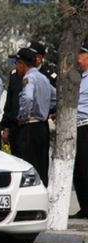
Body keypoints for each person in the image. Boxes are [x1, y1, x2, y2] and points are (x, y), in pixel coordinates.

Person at [13, 48, 56, 187]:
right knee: (42, 165)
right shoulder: (43, 78)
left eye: (16, 64)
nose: (16, 68)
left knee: (30, 165)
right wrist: (47, 109)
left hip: (30, 127)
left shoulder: (29, 78)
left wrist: (23, 115)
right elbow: (55, 96)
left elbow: (27, 97)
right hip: (42, 127)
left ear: (21, 63)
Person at [70, 40, 88, 219]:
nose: (78, 59)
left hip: (86, 126)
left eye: (80, 55)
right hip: (77, 126)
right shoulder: (80, 77)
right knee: (79, 170)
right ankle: (85, 207)